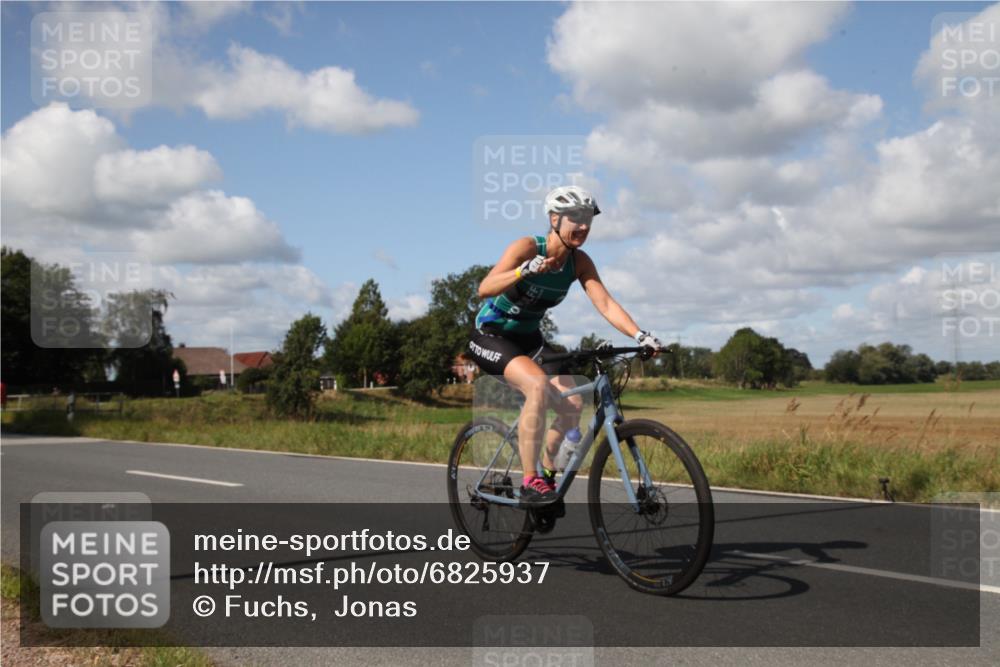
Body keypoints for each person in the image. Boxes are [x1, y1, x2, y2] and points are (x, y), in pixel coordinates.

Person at [468, 185, 664, 505]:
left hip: (530, 341)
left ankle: (546, 476)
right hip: (492, 335)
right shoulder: (528, 247)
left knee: (572, 404)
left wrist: (640, 335)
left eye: (588, 219)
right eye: (576, 218)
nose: (584, 226)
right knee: (537, 386)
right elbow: (485, 288)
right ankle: (530, 481)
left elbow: (605, 303)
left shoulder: (579, 262)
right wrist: (522, 270)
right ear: (555, 219)